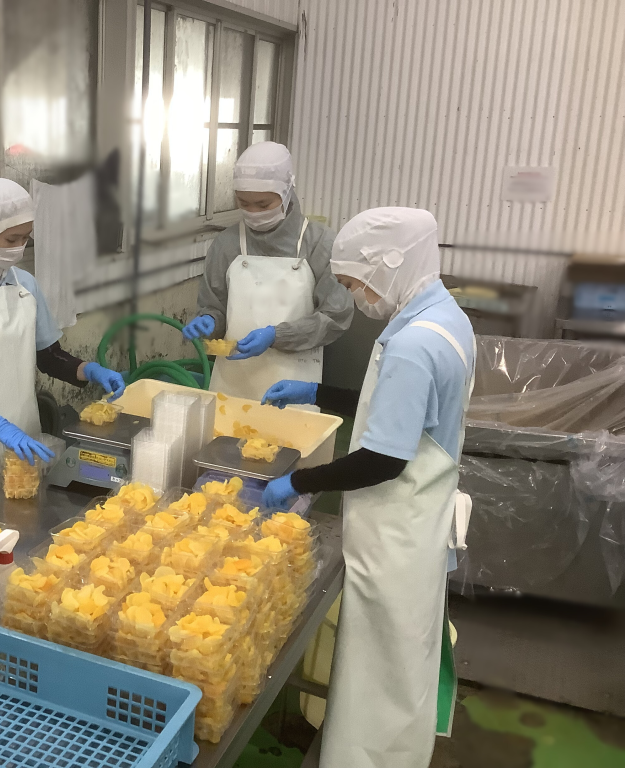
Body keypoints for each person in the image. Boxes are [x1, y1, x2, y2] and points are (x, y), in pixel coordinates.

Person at [260, 208, 475, 768]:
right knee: (403, 664)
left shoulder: (412, 345)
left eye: (355, 283)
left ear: (389, 266)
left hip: (394, 531)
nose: (356, 297)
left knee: (378, 669)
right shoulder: (445, 317)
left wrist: (298, 481)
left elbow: (383, 458)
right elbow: (401, 409)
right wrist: (316, 392)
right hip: (421, 516)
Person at [0, 178, 125, 493]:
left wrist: (89, 370)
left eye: (25, 238)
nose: (18, 247)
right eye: (11, 239)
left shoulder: (25, 284)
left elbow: (48, 356)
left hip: (25, 440)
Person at [181, 142, 352, 401]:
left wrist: (277, 335)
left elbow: (335, 317)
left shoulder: (320, 243)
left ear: (286, 192)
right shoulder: (227, 244)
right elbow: (215, 306)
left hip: (294, 383)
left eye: (263, 205)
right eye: (244, 203)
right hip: (232, 381)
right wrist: (210, 320)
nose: (253, 213)